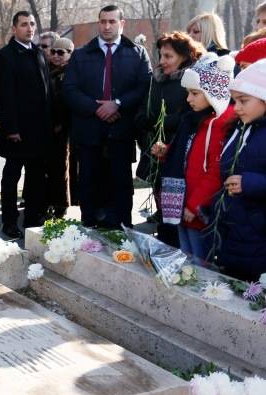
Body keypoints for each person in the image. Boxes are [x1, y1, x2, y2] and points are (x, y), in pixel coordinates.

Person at [64, 4, 151, 229]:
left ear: (122, 24)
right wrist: (98, 108)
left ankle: (122, 229)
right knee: (89, 181)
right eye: (103, 21)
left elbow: (144, 86)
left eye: (112, 22)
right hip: (89, 131)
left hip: (121, 130)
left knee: (121, 183)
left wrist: (117, 105)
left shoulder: (137, 53)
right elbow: (70, 90)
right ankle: (90, 226)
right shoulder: (82, 54)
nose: (107, 26)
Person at [158, 53, 235, 264]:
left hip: (198, 210)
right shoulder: (194, 120)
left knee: (200, 261)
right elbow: (186, 156)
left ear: (213, 93)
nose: (188, 99)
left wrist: (195, 205)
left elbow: (215, 170)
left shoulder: (220, 124)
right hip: (183, 203)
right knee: (186, 256)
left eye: (194, 93)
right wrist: (166, 153)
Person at [134, 31, 206, 247]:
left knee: (176, 214)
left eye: (169, 56)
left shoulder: (191, 82)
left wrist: (162, 124)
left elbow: (189, 116)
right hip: (156, 153)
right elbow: (143, 110)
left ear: (184, 56)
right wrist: (144, 121)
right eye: (161, 56)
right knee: (163, 208)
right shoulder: (156, 80)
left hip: (178, 155)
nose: (163, 61)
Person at [0, 11, 52, 238]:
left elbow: (47, 92)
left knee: (36, 178)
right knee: (11, 178)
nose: (30, 28)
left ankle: (33, 220)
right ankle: (9, 221)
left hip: (39, 131)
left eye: (32, 24)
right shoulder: (4, 56)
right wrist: (12, 127)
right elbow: (3, 96)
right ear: (15, 28)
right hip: (17, 131)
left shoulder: (38, 53)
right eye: (24, 24)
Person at [214, 59, 266, 281]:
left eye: (244, 100)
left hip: (258, 235)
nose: (237, 108)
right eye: (235, 101)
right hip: (237, 228)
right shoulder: (243, 128)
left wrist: (250, 183)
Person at [47, 37, 75, 218]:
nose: (56, 56)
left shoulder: (72, 74)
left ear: (69, 54)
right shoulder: (47, 71)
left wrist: (61, 124)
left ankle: (61, 204)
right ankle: (47, 201)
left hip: (65, 128)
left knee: (61, 168)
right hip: (46, 127)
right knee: (46, 168)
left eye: (60, 52)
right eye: (53, 52)